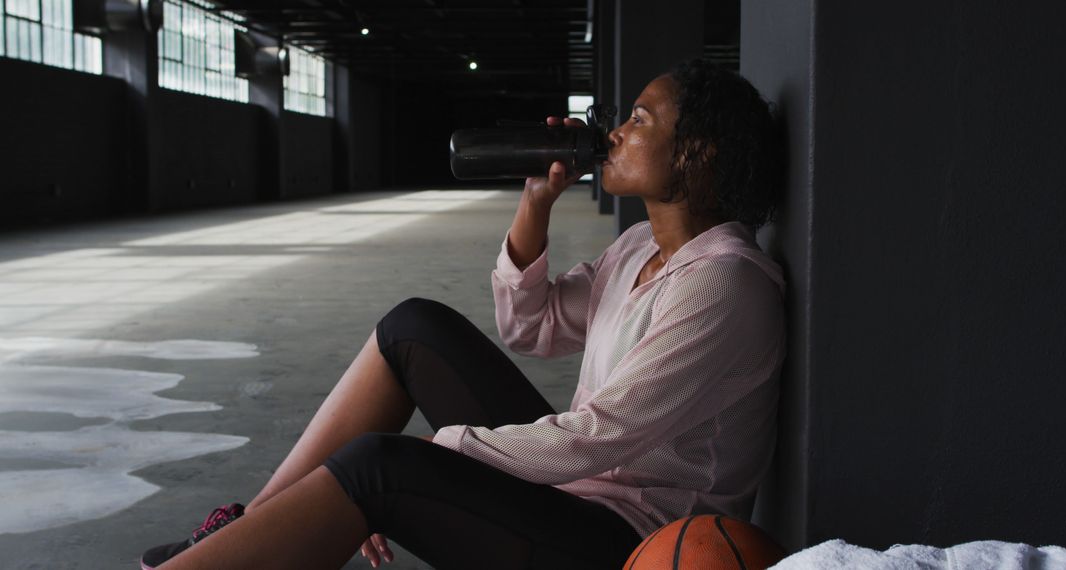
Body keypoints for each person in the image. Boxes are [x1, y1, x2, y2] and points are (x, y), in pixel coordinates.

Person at [141, 58, 785, 570]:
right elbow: (531, 327)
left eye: (639, 120)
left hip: (628, 540)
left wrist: (444, 451)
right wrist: (537, 202)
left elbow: (599, 436)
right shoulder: (641, 246)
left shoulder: (725, 283)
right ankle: (247, 528)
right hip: (579, 491)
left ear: (695, 154)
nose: (613, 132)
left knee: (379, 467)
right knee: (412, 327)